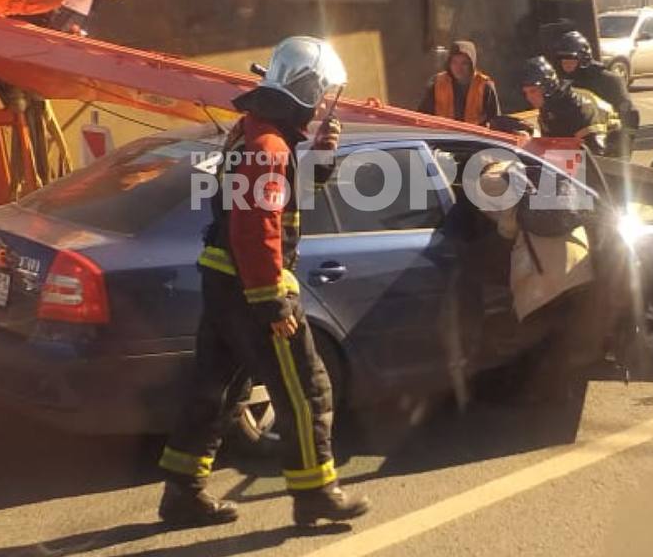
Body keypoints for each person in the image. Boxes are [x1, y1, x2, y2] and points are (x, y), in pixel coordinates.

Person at [158, 36, 370, 527]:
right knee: (308, 389)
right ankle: (317, 492)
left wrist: (319, 156)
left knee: (216, 391)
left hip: (223, 285)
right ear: (307, 91)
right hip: (250, 289)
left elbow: (279, 200)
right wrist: (272, 301)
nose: (322, 107)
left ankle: (182, 492)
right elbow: (257, 227)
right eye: (321, 96)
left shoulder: (252, 133)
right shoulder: (268, 147)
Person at [550, 31, 638, 152]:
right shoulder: (562, 85)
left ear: (583, 58)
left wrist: (623, 143)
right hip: (575, 148)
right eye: (563, 60)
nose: (567, 64)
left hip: (608, 148)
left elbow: (630, 114)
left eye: (571, 59)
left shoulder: (609, 80)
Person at [519, 56, 607, 151]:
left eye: (533, 91)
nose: (529, 97)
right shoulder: (548, 105)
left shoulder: (580, 108)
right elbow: (552, 147)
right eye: (526, 92)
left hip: (615, 154)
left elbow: (595, 157)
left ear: (548, 87)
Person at [418, 40, 502, 126]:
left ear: (472, 64)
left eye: (464, 63)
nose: (458, 68)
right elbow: (422, 117)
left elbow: (496, 122)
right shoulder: (437, 83)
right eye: (454, 62)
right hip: (442, 136)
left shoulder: (485, 86)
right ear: (449, 63)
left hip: (474, 138)